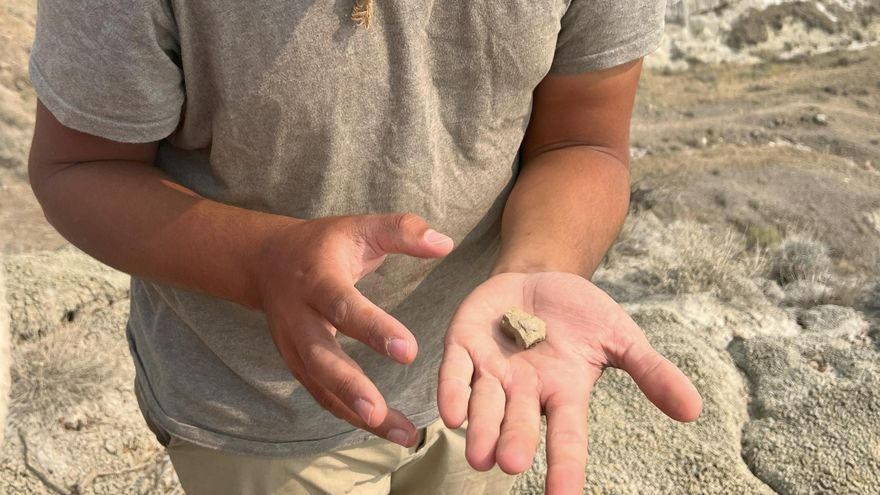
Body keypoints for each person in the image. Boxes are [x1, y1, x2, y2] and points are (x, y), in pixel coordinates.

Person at [27, 0, 703, 493]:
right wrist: (262, 261)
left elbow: (581, 140)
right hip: (253, 407)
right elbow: (80, 167)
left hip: (481, 380)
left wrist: (536, 269)